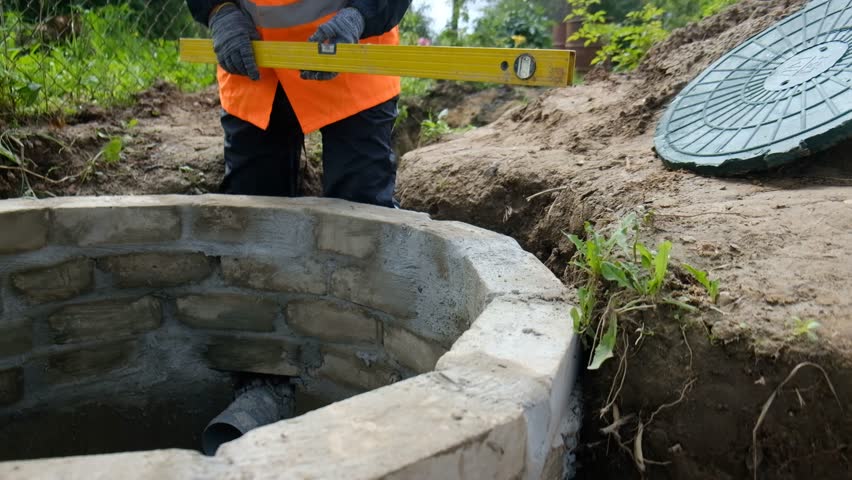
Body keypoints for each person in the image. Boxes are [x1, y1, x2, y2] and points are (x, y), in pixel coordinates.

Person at [186, 1, 412, 207]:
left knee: (361, 219)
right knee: (252, 216)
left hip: (351, 56)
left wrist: (362, 14)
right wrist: (218, 10)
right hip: (254, 64)